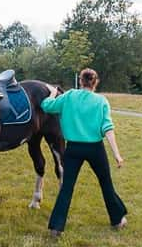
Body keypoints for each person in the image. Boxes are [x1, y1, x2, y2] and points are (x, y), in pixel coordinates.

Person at [42, 69, 128, 237]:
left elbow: (46, 106)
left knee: (66, 187)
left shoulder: (69, 96)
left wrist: (52, 94)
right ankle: (118, 220)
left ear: (81, 81)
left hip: (73, 149)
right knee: (106, 184)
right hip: (95, 148)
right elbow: (107, 128)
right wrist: (116, 154)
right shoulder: (101, 101)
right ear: (95, 82)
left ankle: (56, 227)